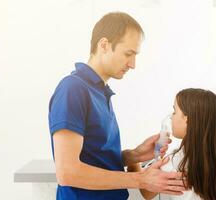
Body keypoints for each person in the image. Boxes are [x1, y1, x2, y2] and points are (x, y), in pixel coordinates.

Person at [48, 12, 186, 200]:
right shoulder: (73, 89)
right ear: (103, 45)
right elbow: (68, 173)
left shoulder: (100, 91)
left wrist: (133, 155)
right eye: (128, 54)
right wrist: (140, 179)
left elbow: (93, 158)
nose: (133, 64)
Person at [129, 88, 216, 200]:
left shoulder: (175, 160)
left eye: (174, 111)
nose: (171, 116)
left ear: (187, 120)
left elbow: (146, 193)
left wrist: (134, 161)